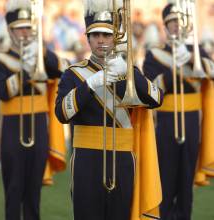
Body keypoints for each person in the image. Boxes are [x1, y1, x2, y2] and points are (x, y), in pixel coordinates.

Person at [55, 1, 163, 220]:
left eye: (106, 34)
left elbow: (156, 98)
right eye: (95, 35)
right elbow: (62, 114)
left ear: (115, 37)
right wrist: (91, 84)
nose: (101, 41)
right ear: (88, 38)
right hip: (86, 160)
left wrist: (131, 72)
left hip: (123, 159)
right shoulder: (74, 74)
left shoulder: (128, 72)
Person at [0, 0, 68, 219]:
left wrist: (42, 52)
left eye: (28, 27)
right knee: (14, 190)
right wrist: (25, 71)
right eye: (20, 28)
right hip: (11, 129)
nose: (25, 32)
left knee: (34, 192)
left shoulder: (41, 55)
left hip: (38, 124)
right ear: (10, 30)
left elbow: (63, 71)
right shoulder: (0, 59)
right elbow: (4, 91)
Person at [142, 3, 214, 220]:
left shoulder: (196, 51)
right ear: (165, 25)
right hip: (165, 121)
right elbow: (151, 87)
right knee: (166, 177)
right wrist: (175, 67)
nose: (176, 26)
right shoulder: (154, 54)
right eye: (172, 22)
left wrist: (190, 57)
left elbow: (211, 71)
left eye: (180, 21)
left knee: (186, 180)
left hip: (192, 121)